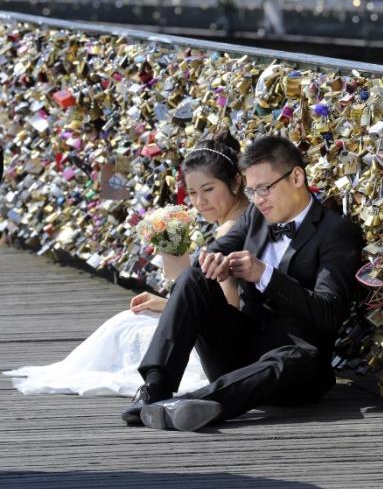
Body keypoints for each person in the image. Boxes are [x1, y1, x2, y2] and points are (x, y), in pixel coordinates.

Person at [122, 134, 363, 432]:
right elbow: (216, 252)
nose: (258, 199)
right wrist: (213, 260)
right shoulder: (255, 215)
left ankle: (189, 405)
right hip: (237, 352)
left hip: (294, 367)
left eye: (265, 188)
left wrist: (265, 274)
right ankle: (155, 389)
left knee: (296, 358)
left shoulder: (336, 232)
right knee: (194, 277)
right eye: (251, 191)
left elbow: (330, 313)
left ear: (297, 177)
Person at [4, 131, 250, 397]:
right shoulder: (242, 217)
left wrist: (169, 305)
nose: (200, 202)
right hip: (228, 329)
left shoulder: (230, 229)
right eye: (192, 193)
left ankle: (155, 383)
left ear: (235, 182)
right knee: (131, 321)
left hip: (226, 342)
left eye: (208, 190)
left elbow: (228, 306)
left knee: (128, 325)